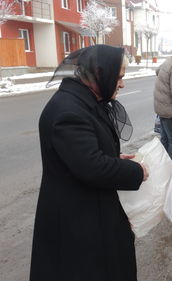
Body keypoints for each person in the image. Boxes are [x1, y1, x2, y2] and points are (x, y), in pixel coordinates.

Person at [30, 45, 149, 281]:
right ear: (98, 72)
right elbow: (92, 167)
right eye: (119, 77)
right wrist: (136, 171)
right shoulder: (68, 111)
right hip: (77, 224)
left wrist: (114, 160)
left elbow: (85, 155)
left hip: (88, 213)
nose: (122, 84)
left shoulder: (82, 101)